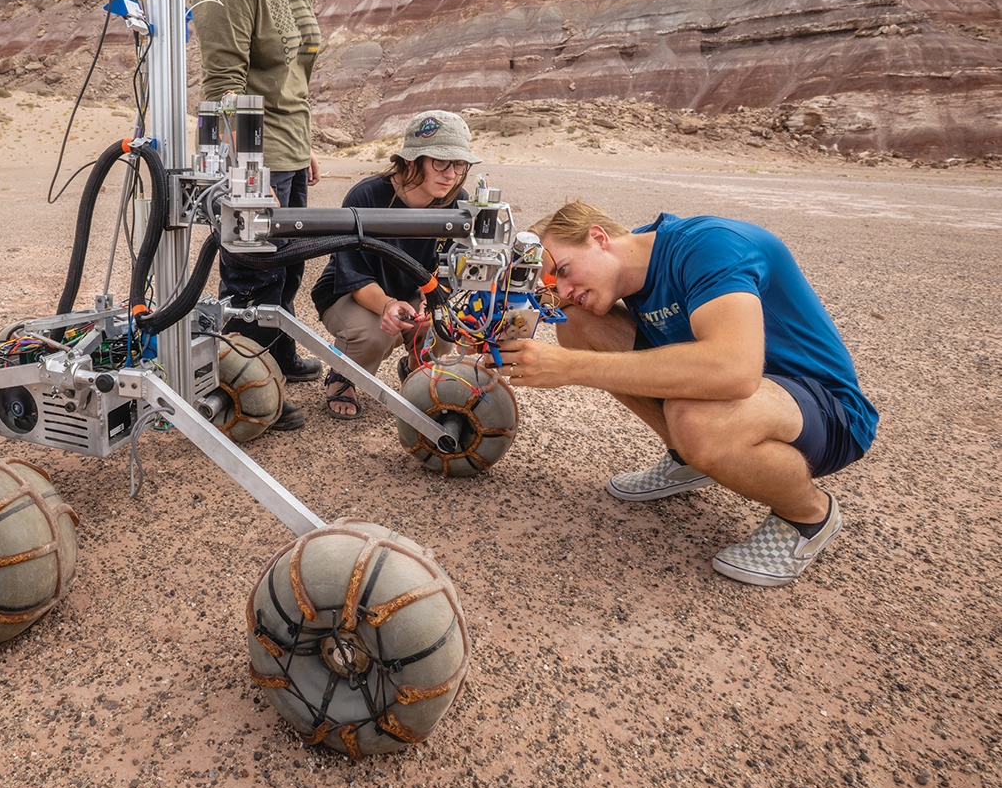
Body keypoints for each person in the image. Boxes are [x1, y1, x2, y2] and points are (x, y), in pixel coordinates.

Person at [492, 200, 878, 587]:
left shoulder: (709, 247)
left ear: (598, 238)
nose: (562, 289)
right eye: (552, 284)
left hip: (827, 410)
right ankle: (689, 460)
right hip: (755, 396)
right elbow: (553, 308)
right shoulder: (636, 258)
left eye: (562, 270)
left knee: (695, 418)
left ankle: (808, 515)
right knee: (577, 323)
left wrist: (569, 367)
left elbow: (734, 372)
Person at [192, 0, 325, 431]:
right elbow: (224, 88)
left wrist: (305, 140)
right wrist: (245, 175)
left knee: (291, 265)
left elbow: (295, 69)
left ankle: (279, 352)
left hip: (292, 145)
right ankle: (248, 381)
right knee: (251, 273)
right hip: (255, 155)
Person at [310, 110, 477, 419]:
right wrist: (387, 304)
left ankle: (416, 372)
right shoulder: (367, 195)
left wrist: (432, 303)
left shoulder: (456, 201)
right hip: (349, 292)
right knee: (375, 334)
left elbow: (447, 268)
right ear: (412, 161)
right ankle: (343, 377)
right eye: (440, 162)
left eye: (459, 164)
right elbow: (356, 276)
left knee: (441, 327)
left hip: (413, 289)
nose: (451, 174)